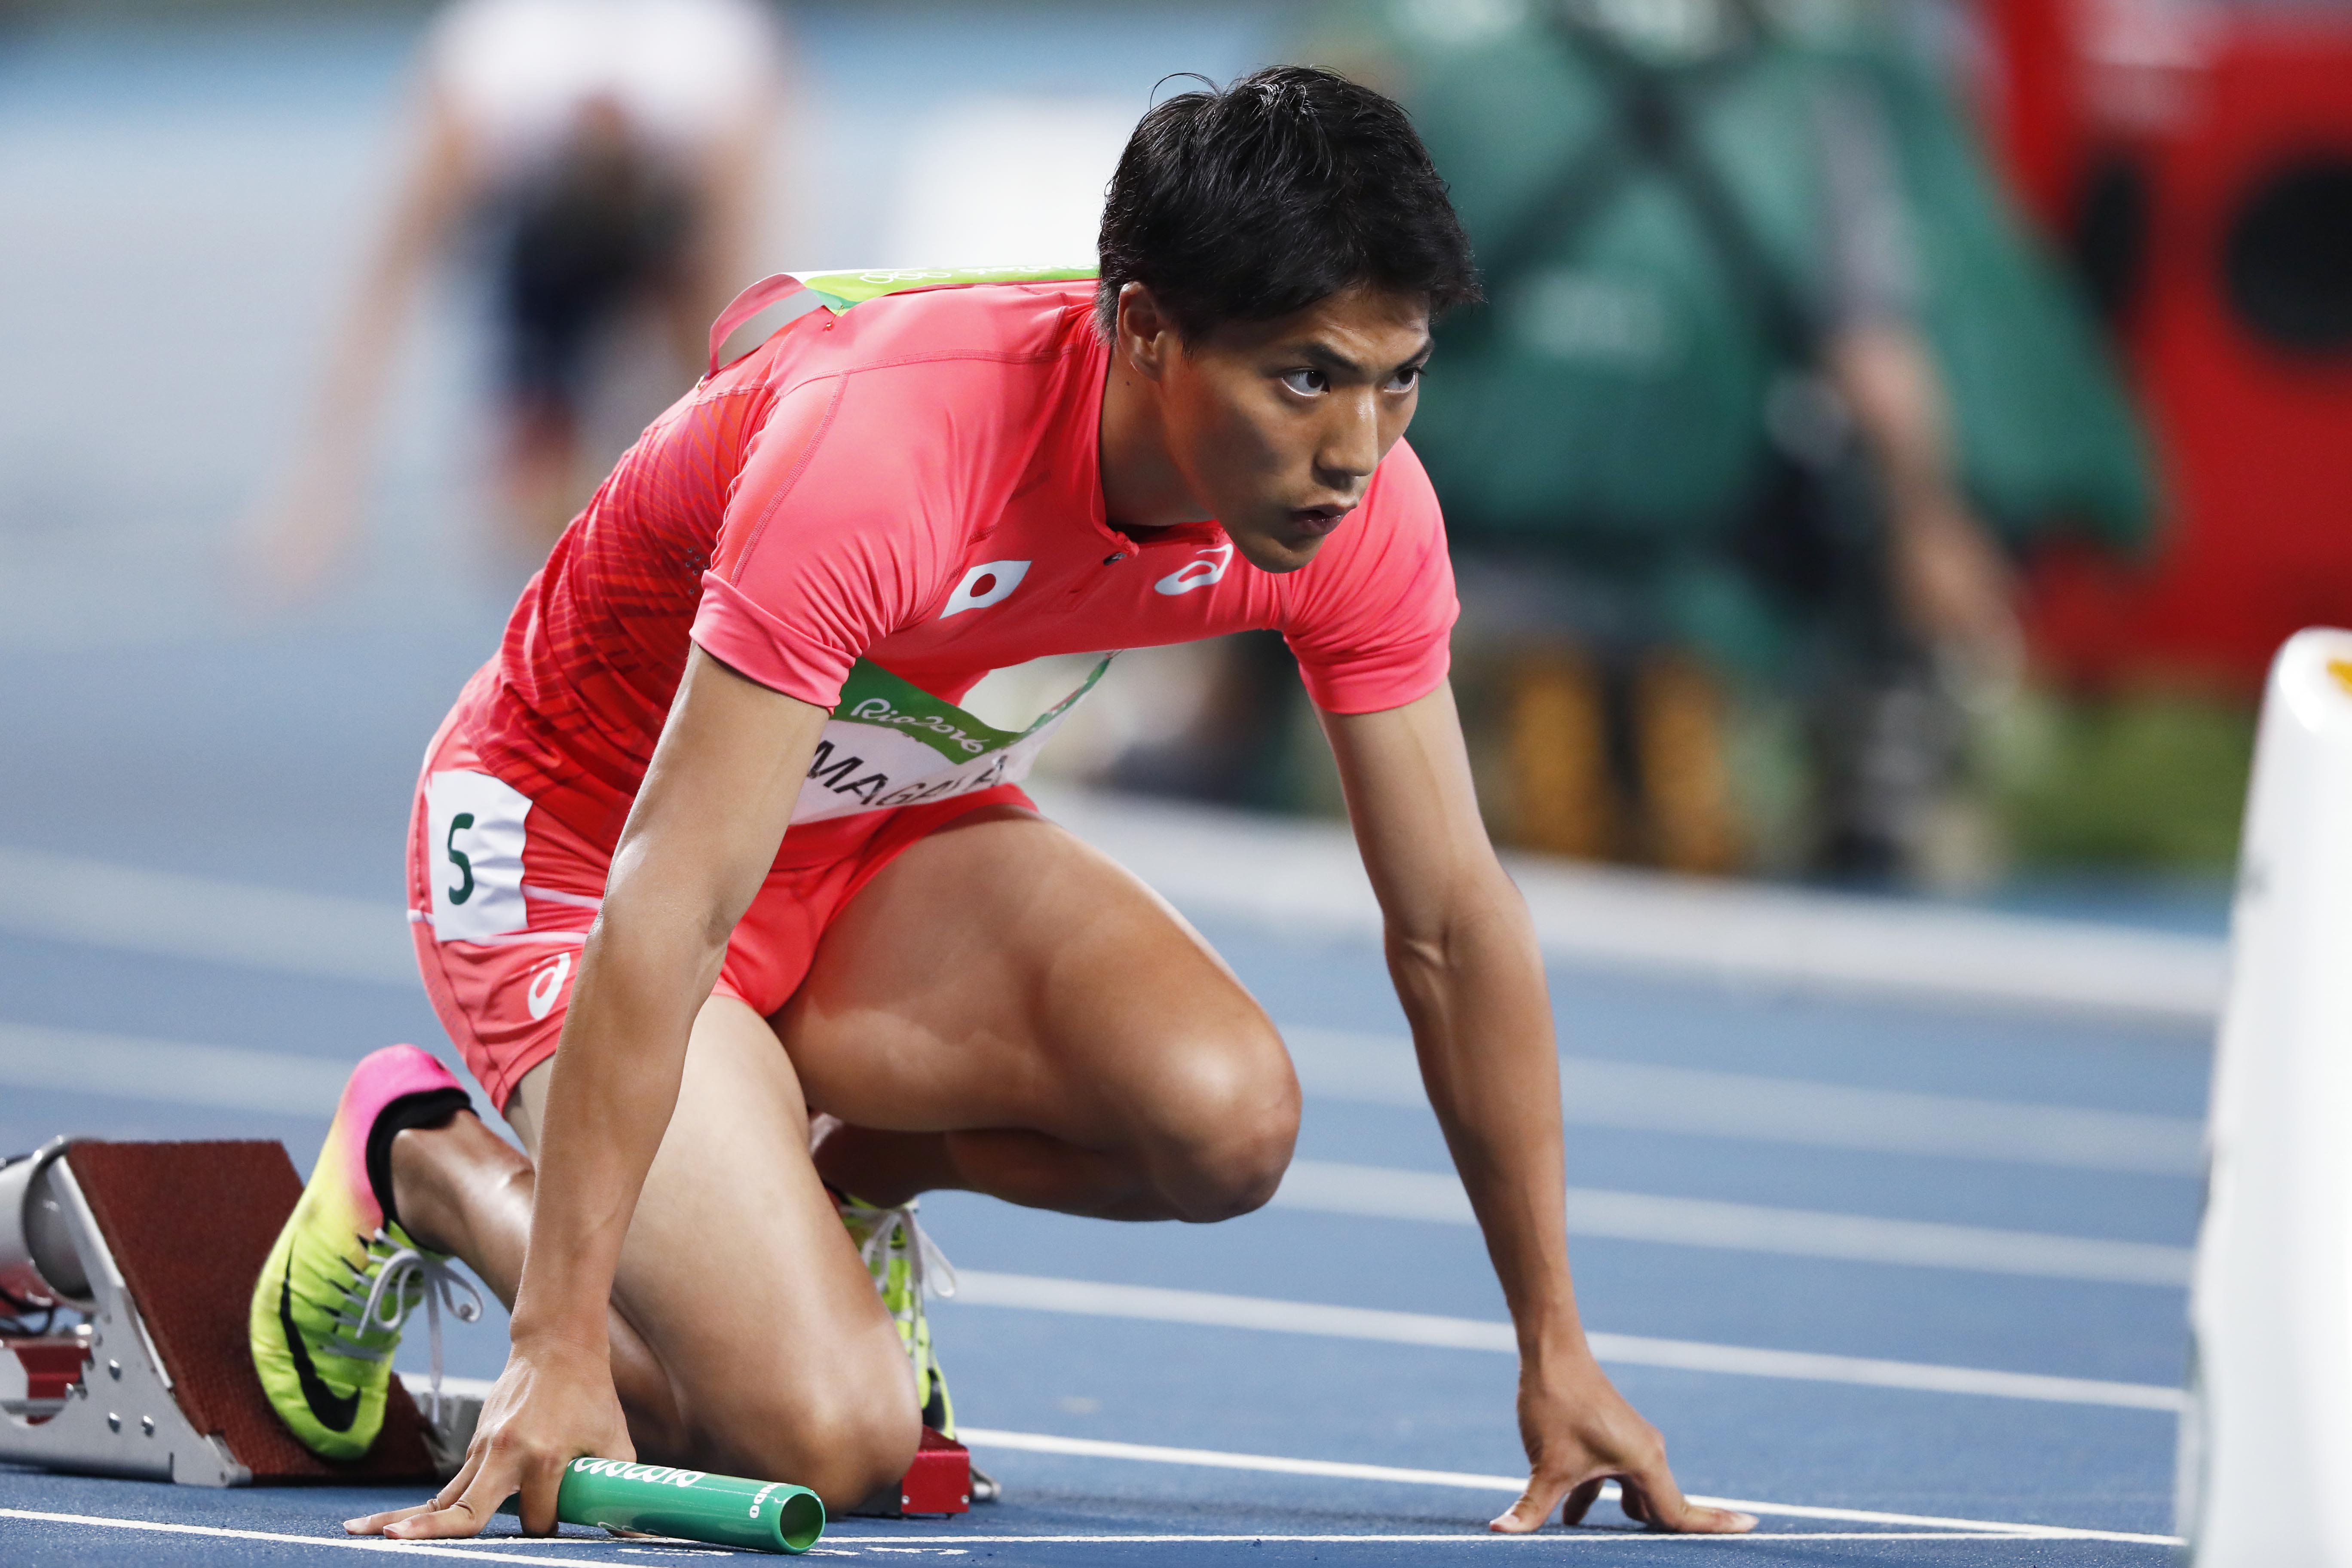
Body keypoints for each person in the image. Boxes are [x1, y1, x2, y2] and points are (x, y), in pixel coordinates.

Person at [248, 67, 1758, 1541]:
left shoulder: (1355, 505)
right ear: (1149, 332)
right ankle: (427, 1155)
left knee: (1225, 1118)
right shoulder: (888, 450)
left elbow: (1449, 920)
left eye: (1399, 374)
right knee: (827, 1435)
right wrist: (558, 1340)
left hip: (869, 843)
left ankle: (811, 1194)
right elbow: (677, 883)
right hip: (587, 850)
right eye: (1303, 376)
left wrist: (1556, 1346)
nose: (1356, 449)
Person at [243, 0, 784, 597]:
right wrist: (320, 487)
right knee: (536, 518)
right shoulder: (495, 66)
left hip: (665, 253)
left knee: (680, 498)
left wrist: (752, 484)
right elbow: (389, 278)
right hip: (549, 270)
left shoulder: (708, 68)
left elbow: (740, 298)